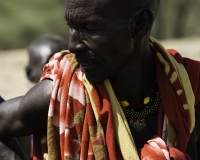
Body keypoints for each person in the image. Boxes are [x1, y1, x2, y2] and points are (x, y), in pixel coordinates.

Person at [0, 0, 199, 159]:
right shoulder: (63, 93)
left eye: (90, 28)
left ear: (140, 24)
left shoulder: (188, 89)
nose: (73, 45)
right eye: (71, 26)